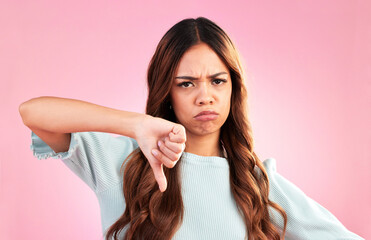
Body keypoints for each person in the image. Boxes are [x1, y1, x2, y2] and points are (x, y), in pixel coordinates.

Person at [19, 17, 364, 240]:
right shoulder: (121, 162)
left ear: (234, 88)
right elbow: (33, 112)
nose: (205, 97)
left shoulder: (255, 181)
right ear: (166, 91)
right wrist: (136, 124)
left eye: (217, 81)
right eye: (186, 84)